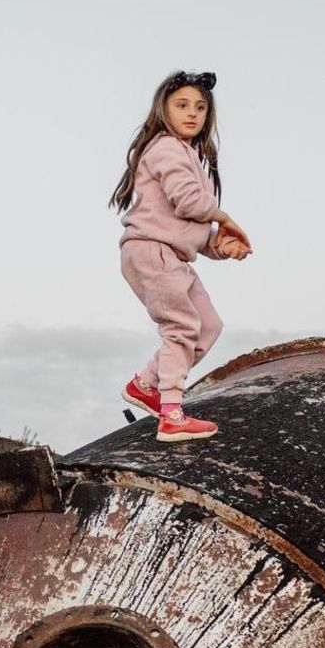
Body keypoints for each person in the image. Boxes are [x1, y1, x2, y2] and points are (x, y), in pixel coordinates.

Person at [110, 70, 250, 442]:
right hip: (153, 251)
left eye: (200, 107)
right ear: (164, 110)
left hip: (170, 254)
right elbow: (188, 202)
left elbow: (195, 232)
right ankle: (171, 413)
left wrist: (224, 245)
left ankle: (147, 385)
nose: (193, 113)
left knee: (207, 326)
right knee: (182, 329)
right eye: (182, 105)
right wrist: (224, 216)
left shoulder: (188, 155)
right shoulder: (165, 147)